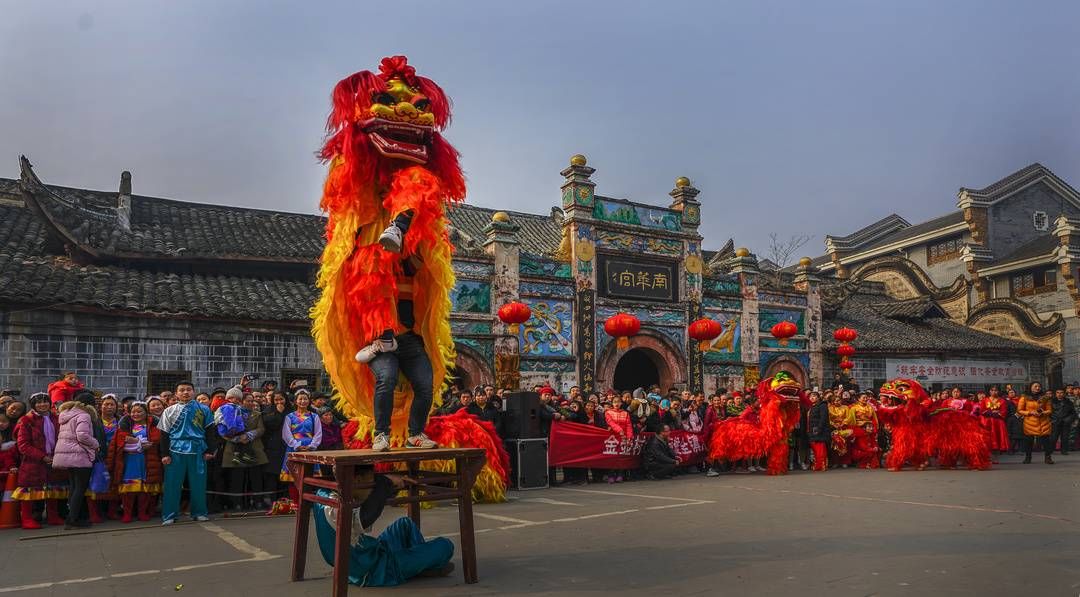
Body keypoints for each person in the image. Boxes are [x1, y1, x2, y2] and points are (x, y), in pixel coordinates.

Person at [312, 469, 454, 587]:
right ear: (358, 480)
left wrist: (387, 481)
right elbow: (366, 517)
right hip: (374, 571)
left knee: (405, 524)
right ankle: (418, 566)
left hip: (371, 554)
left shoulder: (325, 492)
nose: (372, 489)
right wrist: (384, 483)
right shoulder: (335, 508)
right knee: (446, 546)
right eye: (370, 484)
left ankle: (418, 566)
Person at [158, 381, 218, 525]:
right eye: (182, 390)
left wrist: (211, 450)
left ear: (193, 391)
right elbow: (164, 434)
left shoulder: (204, 409)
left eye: (189, 390)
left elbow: (210, 431)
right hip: (175, 450)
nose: (185, 392)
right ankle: (170, 515)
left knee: (199, 483)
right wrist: (164, 454)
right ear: (176, 393)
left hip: (197, 449)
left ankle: (199, 512)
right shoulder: (169, 411)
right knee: (172, 484)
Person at [12, 392, 66, 528]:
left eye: (45, 401)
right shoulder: (26, 420)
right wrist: (42, 456)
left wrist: (57, 455)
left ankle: (53, 516)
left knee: (52, 489)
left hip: (54, 459)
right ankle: (27, 519)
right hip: (33, 462)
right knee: (29, 491)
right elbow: (23, 445)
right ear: (33, 405)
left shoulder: (56, 418)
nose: (42, 404)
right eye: (38, 402)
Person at [108, 402, 163, 522]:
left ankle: (142, 513)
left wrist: (136, 441)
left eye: (139, 412)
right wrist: (136, 442)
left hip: (147, 460)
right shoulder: (125, 425)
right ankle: (127, 514)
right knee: (128, 489)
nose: (135, 414)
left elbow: (156, 441)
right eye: (133, 411)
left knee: (145, 489)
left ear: (146, 412)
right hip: (129, 461)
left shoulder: (153, 425)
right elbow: (121, 440)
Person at [52, 393, 100, 529]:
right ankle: (72, 519)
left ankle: (73, 517)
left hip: (66, 455)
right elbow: (82, 435)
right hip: (79, 455)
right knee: (80, 488)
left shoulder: (66, 414)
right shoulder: (84, 415)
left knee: (73, 487)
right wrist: (96, 444)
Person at [221, 393, 269, 511]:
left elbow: (261, 429)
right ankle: (237, 503)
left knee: (256, 477)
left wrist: (248, 435)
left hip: (254, 449)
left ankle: (258, 501)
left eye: (252, 401)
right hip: (235, 450)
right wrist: (237, 438)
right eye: (248, 401)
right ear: (241, 401)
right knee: (237, 478)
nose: (251, 403)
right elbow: (222, 430)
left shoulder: (257, 414)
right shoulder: (231, 413)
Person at [280, 391, 322, 496]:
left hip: (310, 448)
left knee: (308, 475)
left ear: (309, 401)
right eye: (300, 399)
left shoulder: (314, 416)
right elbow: (286, 434)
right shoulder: (289, 417)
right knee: (293, 475)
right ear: (296, 401)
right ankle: (295, 501)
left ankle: (307, 500)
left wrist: (311, 446)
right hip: (293, 447)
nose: (303, 401)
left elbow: (318, 433)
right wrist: (296, 445)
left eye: (305, 399)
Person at [89, 394, 121, 522]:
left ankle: (112, 512)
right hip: (99, 457)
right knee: (95, 484)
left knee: (114, 484)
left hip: (116, 456)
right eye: (106, 404)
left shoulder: (121, 421)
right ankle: (94, 513)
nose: (109, 407)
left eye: (112, 404)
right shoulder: (95, 422)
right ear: (100, 407)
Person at [262, 390, 290, 503]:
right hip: (273, 447)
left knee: (286, 474)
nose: (279, 402)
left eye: (281, 399)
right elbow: (271, 425)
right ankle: (272, 500)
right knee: (273, 474)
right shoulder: (268, 411)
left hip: (287, 446)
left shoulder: (291, 410)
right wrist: (279, 413)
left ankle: (285, 499)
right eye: (276, 400)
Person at [1016, 387, 1053, 465]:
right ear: (1030, 388)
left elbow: (1049, 410)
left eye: (1039, 386)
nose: (1037, 388)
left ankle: (1048, 457)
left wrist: (1043, 413)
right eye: (1035, 386)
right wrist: (1030, 412)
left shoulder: (1045, 398)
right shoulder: (1024, 397)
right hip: (1030, 422)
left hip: (1043, 422)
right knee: (1028, 441)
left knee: (1046, 441)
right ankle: (1028, 457)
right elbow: (1019, 410)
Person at [978, 387, 1010, 454]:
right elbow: (982, 410)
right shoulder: (985, 400)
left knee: (998, 436)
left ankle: (997, 451)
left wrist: (994, 412)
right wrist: (993, 412)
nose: (994, 392)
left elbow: (1003, 411)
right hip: (987, 422)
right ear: (989, 391)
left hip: (998, 422)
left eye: (996, 390)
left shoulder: (1002, 401)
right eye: (992, 390)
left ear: (998, 391)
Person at [806, 391, 831, 471]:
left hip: (819, 430)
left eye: (814, 396)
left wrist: (819, 429)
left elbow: (823, 418)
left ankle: (822, 465)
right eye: (810, 397)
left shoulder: (822, 405)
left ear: (818, 397)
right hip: (812, 430)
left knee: (820, 449)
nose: (812, 398)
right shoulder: (811, 407)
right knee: (815, 449)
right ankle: (818, 465)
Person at [1050, 388, 1076, 455]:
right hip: (1055, 422)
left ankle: (1064, 450)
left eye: (1061, 393)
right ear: (1055, 394)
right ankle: (1050, 450)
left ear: (1064, 394)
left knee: (1065, 437)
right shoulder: (1051, 402)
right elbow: (1049, 413)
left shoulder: (1069, 402)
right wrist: (1053, 420)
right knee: (1054, 437)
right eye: (1058, 393)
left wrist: (1068, 420)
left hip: (1065, 422)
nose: (1059, 394)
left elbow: (1073, 413)